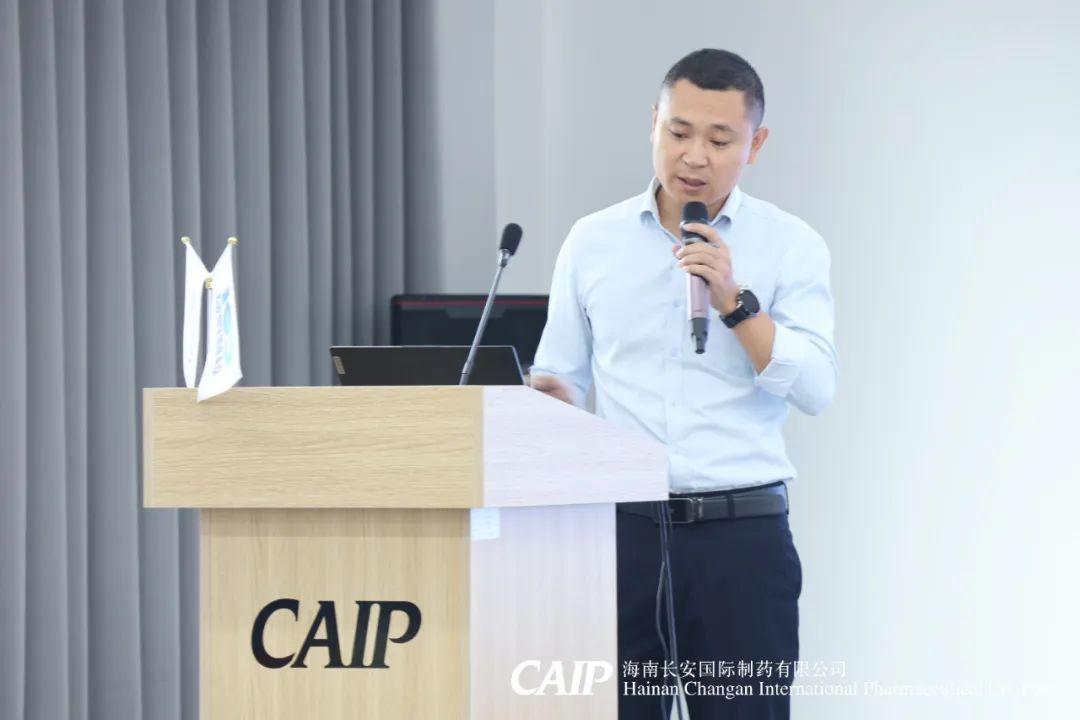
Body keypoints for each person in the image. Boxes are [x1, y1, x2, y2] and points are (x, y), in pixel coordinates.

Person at [530, 48, 839, 719]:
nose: (694, 156)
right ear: (654, 122)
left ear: (755, 144)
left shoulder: (791, 244)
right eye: (678, 131)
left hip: (740, 541)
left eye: (720, 139)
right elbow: (562, 374)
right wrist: (546, 403)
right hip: (620, 537)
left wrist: (735, 302)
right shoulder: (591, 241)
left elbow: (816, 387)